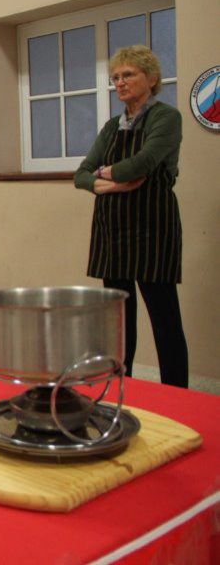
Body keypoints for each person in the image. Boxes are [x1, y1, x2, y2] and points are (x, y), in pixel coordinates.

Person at [74, 45, 187, 388]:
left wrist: (106, 174)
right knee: (119, 325)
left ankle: (177, 393)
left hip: (153, 229)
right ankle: (126, 389)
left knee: (165, 321)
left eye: (128, 75)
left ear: (151, 79)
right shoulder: (111, 126)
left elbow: (144, 163)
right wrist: (112, 185)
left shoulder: (167, 117)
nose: (120, 83)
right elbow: (81, 174)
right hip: (113, 233)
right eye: (116, 77)